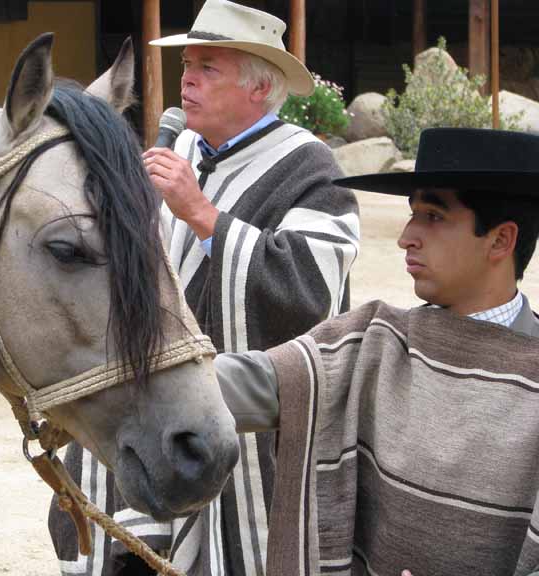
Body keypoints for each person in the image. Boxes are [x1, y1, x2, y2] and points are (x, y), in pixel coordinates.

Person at [49, 0, 359, 574]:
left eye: (208, 67)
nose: (186, 80)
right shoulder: (181, 149)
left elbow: (311, 290)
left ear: (259, 88)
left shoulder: (311, 167)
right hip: (158, 405)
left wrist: (202, 214)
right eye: (187, 64)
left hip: (250, 433)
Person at [215, 127, 539, 576]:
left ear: (501, 241)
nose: (407, 236)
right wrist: (118, 373)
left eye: (433, 216)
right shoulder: (373, 341)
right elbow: (249, 384)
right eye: (412, 214)